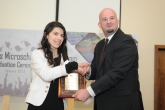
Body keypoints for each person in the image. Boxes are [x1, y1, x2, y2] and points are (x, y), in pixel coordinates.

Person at [72, 8, 144, 110]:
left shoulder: (126, 42)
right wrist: (88, 70)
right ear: (99, 24)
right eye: (104, 19)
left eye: (111, 18)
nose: (108, 22)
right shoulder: (100, 45)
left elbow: (116, 73)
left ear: (117, 21)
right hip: (103, 103)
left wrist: (88, 91)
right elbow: (97, 70)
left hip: (123, 104)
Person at [25, 21, 86, 110]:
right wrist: (72, 65)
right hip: (39, 104)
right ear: (46, 35)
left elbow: (66, 78)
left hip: (58, 104)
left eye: (62, 35)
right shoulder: (37, 54)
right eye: (56, 34)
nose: (59, 38)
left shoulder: (63, 57)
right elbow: (46, 75)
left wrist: (81, 73)